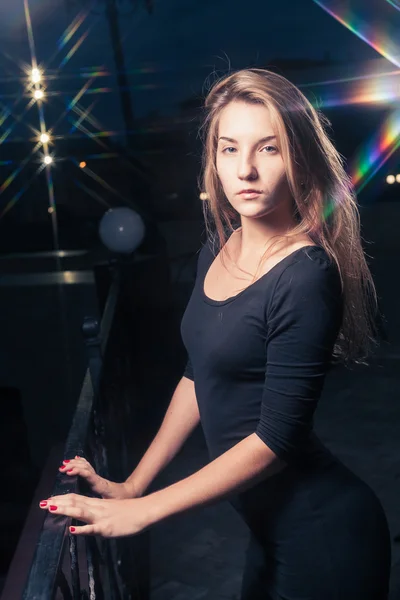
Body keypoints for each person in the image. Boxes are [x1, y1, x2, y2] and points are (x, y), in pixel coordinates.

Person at [39, 68, 392, 599]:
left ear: (297, 158)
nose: (246, 169)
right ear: (214, 161)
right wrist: (132, 485)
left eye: (268, 149)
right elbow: (197, 374)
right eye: (230, 149)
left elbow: (276, 442)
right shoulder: (217, 251)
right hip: (268, 535)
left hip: (325, 539)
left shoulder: (304, 274)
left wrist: (143, 512)